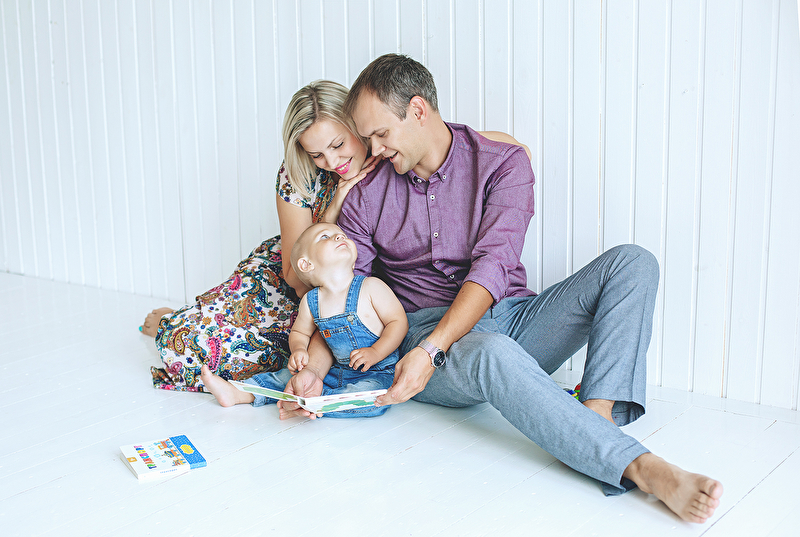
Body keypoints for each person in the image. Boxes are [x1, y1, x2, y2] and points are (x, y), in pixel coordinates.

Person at [289, 53, 720, 523]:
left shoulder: (502, 163)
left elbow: (493, 267)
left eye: (380, 134)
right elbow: (340, 297)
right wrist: (315, 371)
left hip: (513, 318)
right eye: (366, 137)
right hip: (424, 342)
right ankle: (643, 468)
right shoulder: (366, 193)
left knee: (633, 262)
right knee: (491, 351)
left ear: (418, 110)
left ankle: (594, 421)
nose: (371, 149)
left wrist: (434, 347)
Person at [139, 78, 528, 394]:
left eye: (339, 144)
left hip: (348, 297)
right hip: (294, 284)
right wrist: (336, 204)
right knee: (191, 342)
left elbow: (487, 148)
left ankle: (189, 326)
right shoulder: (299, 177)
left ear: (359, 127)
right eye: (317, 155)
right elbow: (296, 278)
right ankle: (176, 321)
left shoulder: (393, 151)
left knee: (282, 357)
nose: (332, 162)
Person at [199, 222, 408, 419]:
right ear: (306, 264)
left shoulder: (371, 287)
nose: (339, 236)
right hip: (335, 370)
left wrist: (376, 352)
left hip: (377, 372)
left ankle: (306, 403)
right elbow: (300, 333)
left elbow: (398, 322)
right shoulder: (312, 301)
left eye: (342, 235)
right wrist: (299, 349)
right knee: (287, 378)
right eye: (325, 236)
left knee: (372, 398)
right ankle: (239, 392)